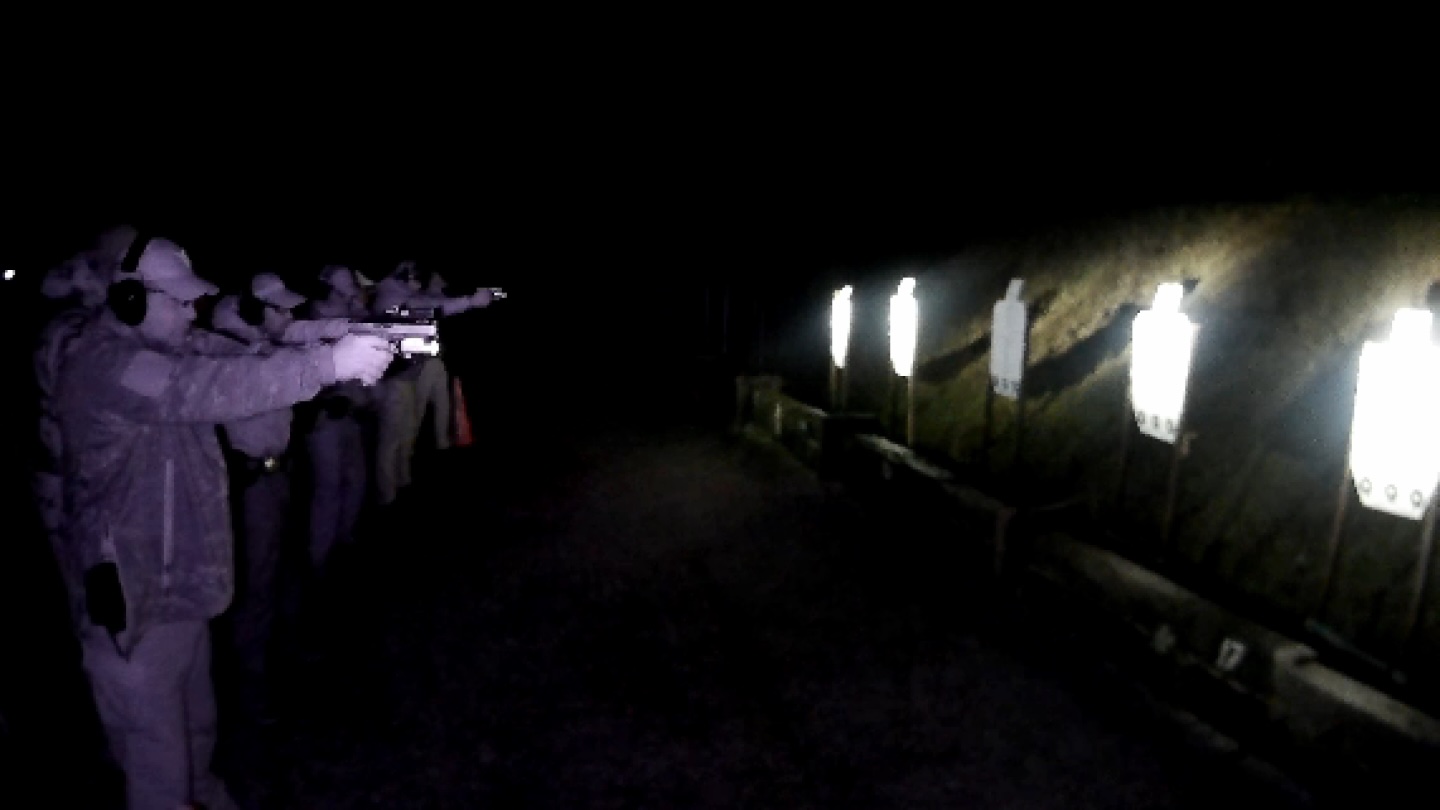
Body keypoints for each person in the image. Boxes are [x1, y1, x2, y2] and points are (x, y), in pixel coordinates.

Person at [55, 237, 393, 810]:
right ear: (131, 298)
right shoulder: (109, 365)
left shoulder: (165, 344)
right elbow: (208, 388)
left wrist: (329, 341)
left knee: (195, 735)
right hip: (135, 600)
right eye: (180, 301)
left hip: (178, 589)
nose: (194, 311)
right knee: (158, 764)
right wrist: (328, 364)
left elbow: (243, 357)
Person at [209, 273, 349, 726]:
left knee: (284, 568)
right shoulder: (229, 350)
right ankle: (252, 682)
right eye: (280, 308)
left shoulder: (262, 341)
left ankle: (284, 652)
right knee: (257, 581)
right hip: (250, 482)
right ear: (255, 310)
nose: (289, 315)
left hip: (278, 473)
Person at [370, 260, 493, 505]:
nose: (419, 279)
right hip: (393, 381)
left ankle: (402, 484)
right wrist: (469, 302)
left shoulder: (403, 295)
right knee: (391, 441)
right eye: (414, 274)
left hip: (407, 377)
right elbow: (427, 308)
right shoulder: (389, 298)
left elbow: (430, 303)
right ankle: (388, 496)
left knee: (406, 433)